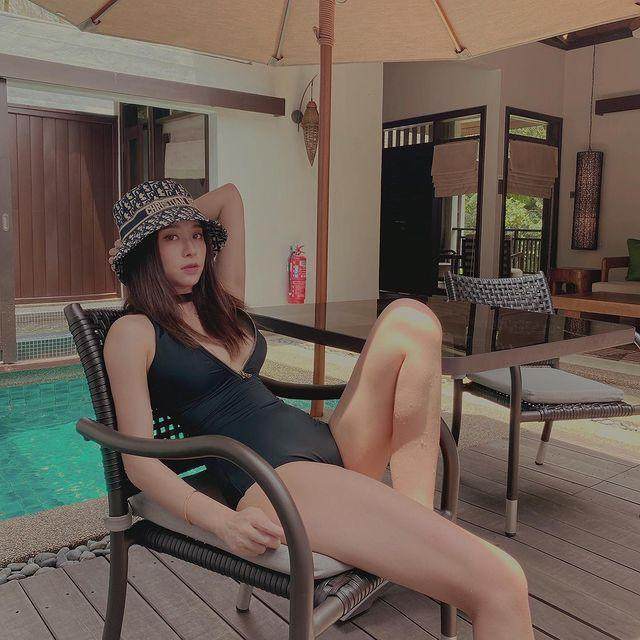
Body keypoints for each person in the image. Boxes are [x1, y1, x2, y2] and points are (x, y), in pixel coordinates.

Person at [104, 178, 534, 639]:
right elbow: (139, 461)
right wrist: (223, 521)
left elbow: (229, 196)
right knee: (501, 582)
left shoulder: (219, 304)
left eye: (196, 235)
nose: (192, 249)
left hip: (328, 444)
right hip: (276, 478)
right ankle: (420, 540)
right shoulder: (133, 332)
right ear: (144, 253)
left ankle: (417, 518)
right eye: (170, 238)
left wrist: (166, 217)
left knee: (411, 318)